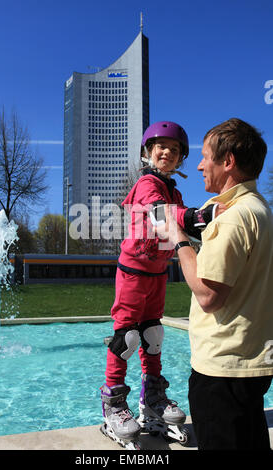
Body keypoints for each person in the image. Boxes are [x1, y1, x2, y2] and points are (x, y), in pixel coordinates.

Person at [100, 121, 222, 448]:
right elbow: (161, 217)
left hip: (157, 272)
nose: (166, 152)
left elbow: (178, 218)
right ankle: (113, 403)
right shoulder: (148, 184)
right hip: (133, 271)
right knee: (126, 336)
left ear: (181, 157)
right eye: (160, 147)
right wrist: (200, 217)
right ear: (149, 152)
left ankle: (152, 396)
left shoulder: (175, 191)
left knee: (153, 335)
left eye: (174, 149)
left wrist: (212, 225)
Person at [155, 118, 273, 450]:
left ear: (228, 161)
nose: (199, 164)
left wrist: (180, 241)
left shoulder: (235, 218)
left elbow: (208, 295)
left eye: (206, 156)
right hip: (249, 364)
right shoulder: (259, 210)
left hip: (222, 371)